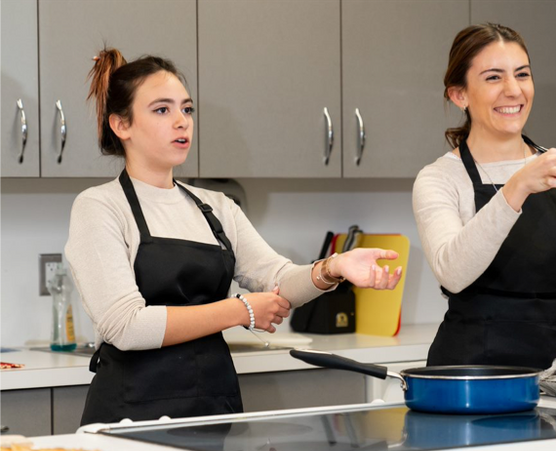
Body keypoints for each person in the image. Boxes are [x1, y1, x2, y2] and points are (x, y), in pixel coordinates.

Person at [66, 49, 403, 425]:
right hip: (129, 415)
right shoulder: (99, 206)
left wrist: (333, 267)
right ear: (121, 125)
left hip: (212, 408)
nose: (182, 122)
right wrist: (239, 310)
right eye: (162, 110)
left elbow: (277, 280)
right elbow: (126, 326)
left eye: (187, 109)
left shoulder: (217, 207)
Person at [413, 23, 556, 370]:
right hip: (475, 377)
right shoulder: (440, 178)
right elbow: (452, 273)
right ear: (460, 95)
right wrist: (516, 187)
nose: (514, 90)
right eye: (493, 78)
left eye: (522, 74)